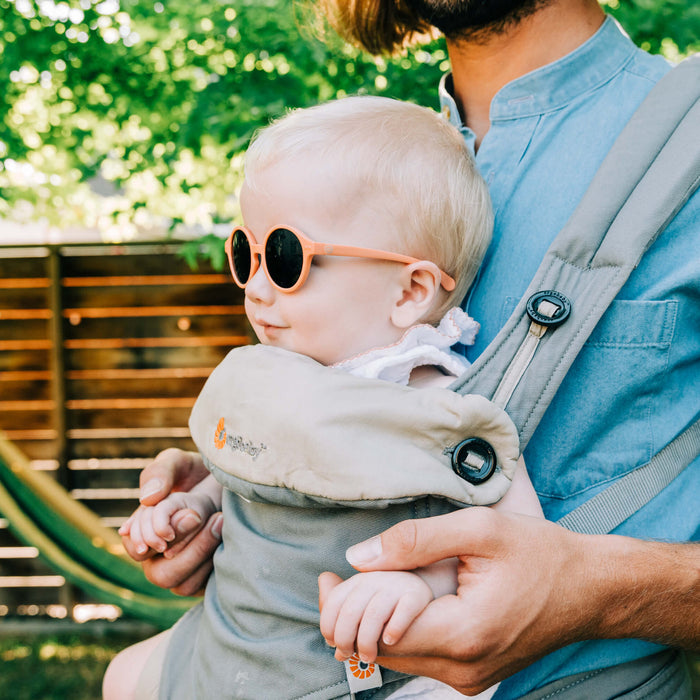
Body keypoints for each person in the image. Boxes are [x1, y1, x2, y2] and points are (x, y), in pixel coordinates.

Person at [119, 1, 700, 697]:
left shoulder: (685, 145)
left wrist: (605, 592)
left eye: (283, 257)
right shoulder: (356, 154)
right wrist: (238, 500)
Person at [104, 95, 543, 700]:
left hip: (348, 670)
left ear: (410, 291)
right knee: (122, 675)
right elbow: (253, 469)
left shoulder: (430, 404)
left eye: (286, 259)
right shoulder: (279, 372)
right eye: (246, 253)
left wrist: (420, 588)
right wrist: (200, 505)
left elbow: (516, 549)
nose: (256, 287)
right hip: (235, 636)